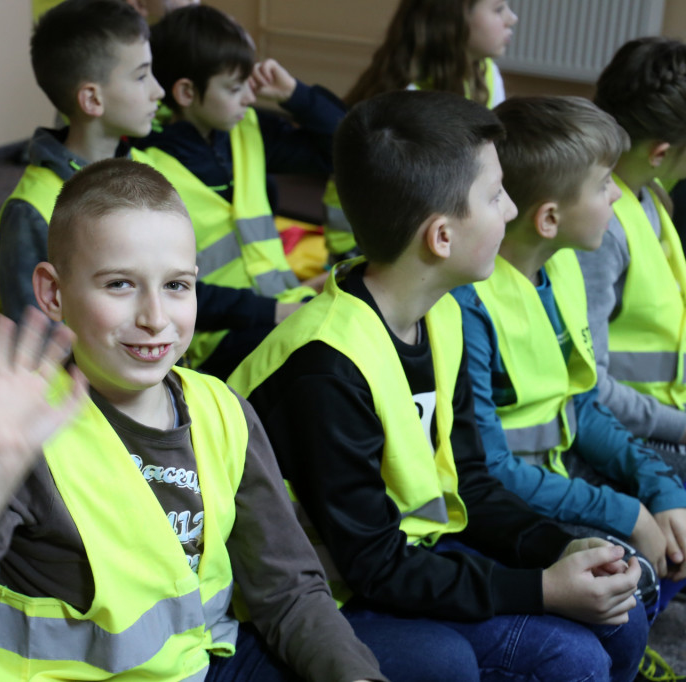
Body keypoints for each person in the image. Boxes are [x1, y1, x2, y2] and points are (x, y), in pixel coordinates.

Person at [0, 158, 386, 682]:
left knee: (432, 659)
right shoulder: (15, 440)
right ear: (53, 294)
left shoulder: (221, 409)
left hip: (201, 661)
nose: (155, 317)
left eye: (177, 286)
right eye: (120, 284)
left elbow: (290, 590)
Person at [228, 90, 648, 682]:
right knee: (566, 656)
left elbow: (469, 483)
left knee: (619, 617)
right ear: (441, 238)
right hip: (332, 594)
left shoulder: (444, 312)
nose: (509, 210)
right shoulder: (323, 365)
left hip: (413, 557)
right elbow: (369, 564)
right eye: (495, 194)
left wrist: (558, 550)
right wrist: (539, 590)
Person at [452, 96, 686, 606]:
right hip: (508, 498)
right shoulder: (469, 305)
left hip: (559, 470)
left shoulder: (561, 271)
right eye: (604, 187)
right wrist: (628, 513)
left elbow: (582, 403)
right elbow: (490, 471)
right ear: (550, 219)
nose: (618, 199)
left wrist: (657, 489)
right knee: (631, 567)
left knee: (674, 501)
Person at [138, 4, 342, 378]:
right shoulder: (145, 165)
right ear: (185, 91)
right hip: (213, 337)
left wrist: (295, 94)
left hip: (281, 306)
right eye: (235, 88)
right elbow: (167, 289)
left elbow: (345, 149)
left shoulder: (244, 129)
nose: (250, 98)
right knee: (327, 359)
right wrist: (275, 312)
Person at [0, 0, 164, 326]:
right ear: (93, 99)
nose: (158, 90)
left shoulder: (145, 171)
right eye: (141, 77)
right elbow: (35, 344)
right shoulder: (32, 211)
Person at [323, 0, 518, 264]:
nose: (512, 18)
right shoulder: (406, 96)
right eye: (498, 9)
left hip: (429, 217)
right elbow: (411, 202)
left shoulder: (487, 74)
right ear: (452, 20)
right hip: (372, 237)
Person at [576, 38, 686, 477]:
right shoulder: (600, 231)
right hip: (630, 439)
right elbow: (593, 388)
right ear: (659, 153)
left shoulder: (650, 199)